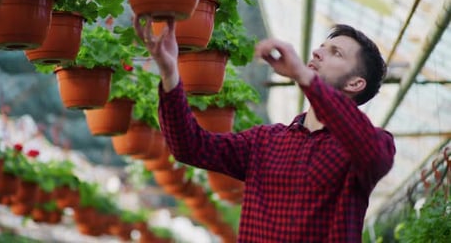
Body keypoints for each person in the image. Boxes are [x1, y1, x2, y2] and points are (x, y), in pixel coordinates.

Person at [134, 16, 396, 242]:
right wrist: (169, 72)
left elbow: (370, 150)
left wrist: (304, 77)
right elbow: (189, 147)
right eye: (322, 46)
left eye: (335, 52)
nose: (317, 52)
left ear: (355, 83)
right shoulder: (265, 140)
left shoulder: (369, 147)